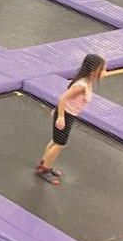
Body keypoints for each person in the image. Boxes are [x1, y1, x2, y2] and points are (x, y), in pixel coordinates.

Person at [36, 53, 106, 185]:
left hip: (69, 114)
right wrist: (60, 117)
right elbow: (63, 98)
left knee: (55, 141)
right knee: (59, 144)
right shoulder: (81, 86)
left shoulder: (87, 81)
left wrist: (59, 113)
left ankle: (44, 164)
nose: (105, 72)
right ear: (92, 72)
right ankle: (44, 170)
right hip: (65, 115)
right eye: (102, 70)